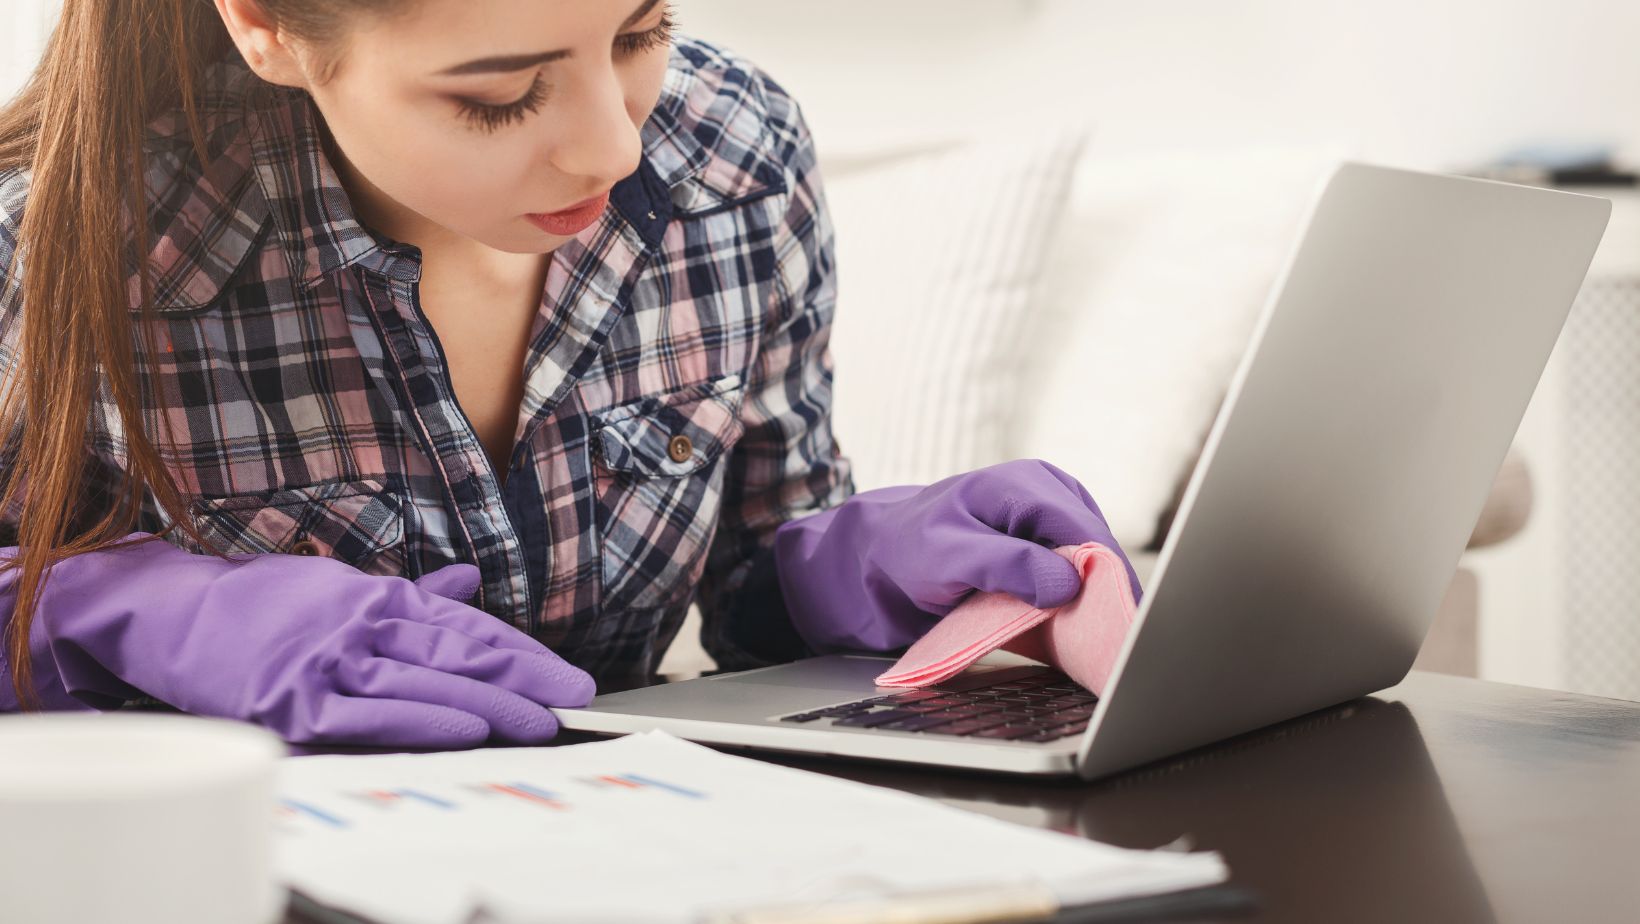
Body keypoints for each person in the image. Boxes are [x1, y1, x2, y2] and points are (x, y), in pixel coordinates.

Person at [0, 0, 1141, 748]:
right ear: (268, 28)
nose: (615, 148)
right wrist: (120, 611)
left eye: (640, 32)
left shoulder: (732, 152)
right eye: (499, 94)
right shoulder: (57, 249)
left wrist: (856, 565)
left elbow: (755, 582)